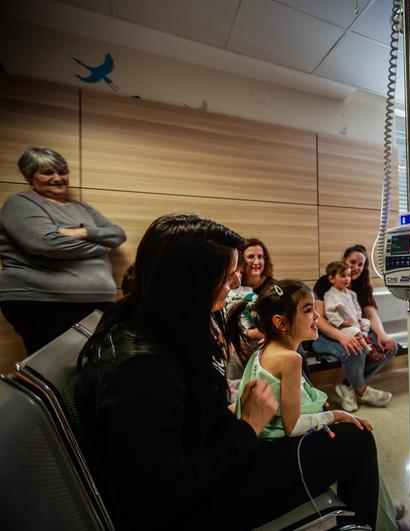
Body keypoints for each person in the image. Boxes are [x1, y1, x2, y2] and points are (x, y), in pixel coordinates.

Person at [74, 214, 379, 529]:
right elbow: (164, 497)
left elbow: (185, 423)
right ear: (192, 282)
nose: (236, 283)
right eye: (228, 276)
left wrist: (234, 412)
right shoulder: (140, 370)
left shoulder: (147, 328)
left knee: (337, 435)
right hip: (196, 506)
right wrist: (247, 426)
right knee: (355, 439)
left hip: (211, 458)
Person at [232, 278, 409, 531]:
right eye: (308, 310)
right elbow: (292, 426)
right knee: (359, 437)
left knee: (360, 454)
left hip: (266, 446)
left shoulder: (263, 350)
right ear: (281, 323)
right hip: (283, 448)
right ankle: (383, 522)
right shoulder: (290, 359)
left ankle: (387, 514)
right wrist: (335, 415)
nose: (317, 315)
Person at [0, 146, 126, 354]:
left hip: (94, 302)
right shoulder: (20, 203)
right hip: (43, 302)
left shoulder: (81, 208)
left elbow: (117, 235)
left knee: (89, 369)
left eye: (62, 172)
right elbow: (47, 244)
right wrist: (101, 245)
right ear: (30, 176)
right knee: (55, 371)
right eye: (48, 173)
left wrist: (81, 233)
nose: (58, 178)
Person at [312, 244, 398, 412]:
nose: (356, 268)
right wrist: (342, 337)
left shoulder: (360, 286)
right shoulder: (326, 283)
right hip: (326, 334)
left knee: (390, 347)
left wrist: (382, 335)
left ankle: (348, 386)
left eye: (361, 265)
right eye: (353, 262)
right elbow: (319, 319)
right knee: (355, 348)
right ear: (344, 260)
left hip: (356, 329)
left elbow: (371, 315)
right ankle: (362, 390)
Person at [224, 238, 276, 379]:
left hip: (268, 332)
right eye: (251, 257)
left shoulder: (272, 287)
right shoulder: (230, 288)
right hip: (241, 333)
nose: (257, 262)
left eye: (260, 257)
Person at [323, 261, 374, 356]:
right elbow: (330, 312)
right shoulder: (330, 295)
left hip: (355, 321)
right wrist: (340, 322)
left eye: (349, 275)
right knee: (354, 331)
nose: (347, 279)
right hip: (344, 326)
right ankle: (368, 350)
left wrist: (359, 318)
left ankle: (364, 337)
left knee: (366, 322)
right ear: (331, 279)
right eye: (343, 276)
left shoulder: (351, 294)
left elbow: (357, 307)